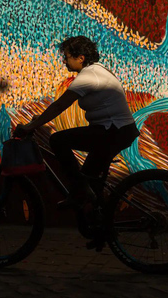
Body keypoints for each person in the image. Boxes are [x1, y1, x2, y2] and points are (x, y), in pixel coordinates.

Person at [13, 36, 140, 209]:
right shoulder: (99, 70)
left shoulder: (89, 75)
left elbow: (60, 105)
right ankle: (100, 223)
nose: (64, 61)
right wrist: (40, 120)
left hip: (113, 131)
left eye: (67, 57)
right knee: (89, 180)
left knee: (58, 140)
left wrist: (30, 127)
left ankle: (81, 192)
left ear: (81, 58)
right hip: (117, 131)